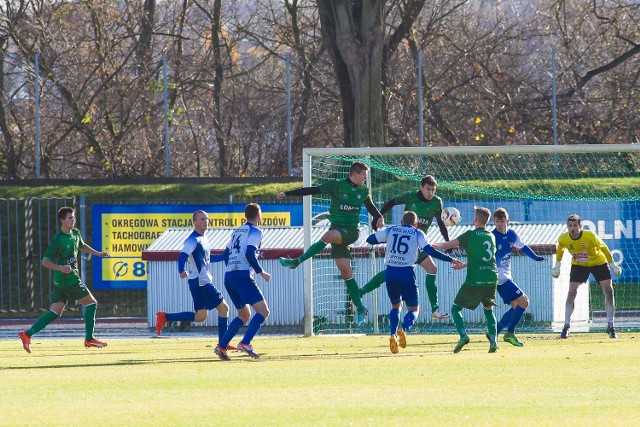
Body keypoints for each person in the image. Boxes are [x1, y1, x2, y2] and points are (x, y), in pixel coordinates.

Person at [276, 161, 384, 326]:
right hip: (337, 232)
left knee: (327, 236)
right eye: (364, 175)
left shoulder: (363, 190)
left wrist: (379, 217)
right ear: (354, 174)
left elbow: (371, 208)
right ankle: (361, 309)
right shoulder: (336, 186)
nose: (365, 179)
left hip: (351, 232)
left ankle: (296, 261)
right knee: (346, 273)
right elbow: (312, 190)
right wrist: (288, 193)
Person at [367, 211, 463, 353]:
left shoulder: (391, 230)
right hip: (406, 273)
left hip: (390, 272)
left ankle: (392, 334)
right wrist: (451, 259)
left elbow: (370, 239)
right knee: (413, 309)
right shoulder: (418, 233)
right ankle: (403, 329)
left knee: (395, 306)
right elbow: (430, 251)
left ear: (401, 222)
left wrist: (381, 233)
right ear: (416, 224)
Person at [359, 175, 452, 320]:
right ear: (421, 187)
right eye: (428, 189)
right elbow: (392, 202)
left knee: (428, 269)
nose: (430, 193)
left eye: (433, 190)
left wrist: (447, 243)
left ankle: (435, 309)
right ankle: (434, 309)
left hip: (418, 244)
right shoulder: (410, 197)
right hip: (408, 242)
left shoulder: (436, 202)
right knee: (399, 271)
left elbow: (441, 223)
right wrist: (378, 216)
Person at [19, 207, 110, 353]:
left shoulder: (75, 233)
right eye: (70, 218)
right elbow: (45, 262)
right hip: (69, 279)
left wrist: (98, 253)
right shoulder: (57, 240)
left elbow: (82, 246)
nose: (73, 220)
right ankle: (89, 338)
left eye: (73, 217)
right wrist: (60, 268)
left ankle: (27, 334)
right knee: (91, 303)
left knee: (55, 312)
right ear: (62, 220)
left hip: (61, 282)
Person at [155, 210, 234, 349]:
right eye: (202, 219)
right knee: (224, 308)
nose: (205, 221)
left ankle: (165, 317)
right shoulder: (193, 239)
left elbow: (208, 260)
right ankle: (223, 345)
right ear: (195, 222)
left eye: (207, 219)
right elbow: (182, 256)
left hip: (198, 281)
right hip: (201, 282)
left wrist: (225, 255)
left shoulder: (204, 239)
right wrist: (181, 270)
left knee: (201, 316)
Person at [432, 206, 499, 353]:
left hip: (475, 279)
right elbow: (485, 258)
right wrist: (464, 265)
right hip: (492, 278)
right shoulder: (491, 236)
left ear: (475, 219)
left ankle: (463, 336)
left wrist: (435, 246)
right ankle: (494, 341)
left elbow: (448, 245)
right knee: (489, 310)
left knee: (456, 308)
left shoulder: (470, 235)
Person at [214, 203, 272, 360]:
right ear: (259, 215)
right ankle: (245, 343)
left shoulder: (237, 231)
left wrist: (232, 267)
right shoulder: (256, 231)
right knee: (263, 311)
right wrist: (261, 272)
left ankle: (222, 346)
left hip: (229, 276)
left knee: (244, 314)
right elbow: (249, 253)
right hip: (242, 276)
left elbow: (226, 254)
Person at [552, 214, 622, 339]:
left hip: (598, 263)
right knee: (572, 291)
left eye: (575, 225)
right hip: (579, 265)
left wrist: (613, 265)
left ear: (580, 226)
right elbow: (560, 249)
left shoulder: (590, 236)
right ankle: (566, 325)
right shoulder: (563, 238)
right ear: (567, 227)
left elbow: (604, 248)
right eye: (570, 226)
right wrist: (557, 265)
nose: (572, 228)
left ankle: (611, 325)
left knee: (608, 289)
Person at [492, 208, 545, 347]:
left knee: (516, 305)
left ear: (507, 222)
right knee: (525, 302)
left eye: (502, 221)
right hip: (499, 276)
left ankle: (495, 331)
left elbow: (523, 247)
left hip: (506, 275)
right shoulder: (492, 236)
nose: (499, 224)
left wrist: (535, 257)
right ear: (493, 222)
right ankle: (510, 333)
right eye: (497, 221)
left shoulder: (511, 234)